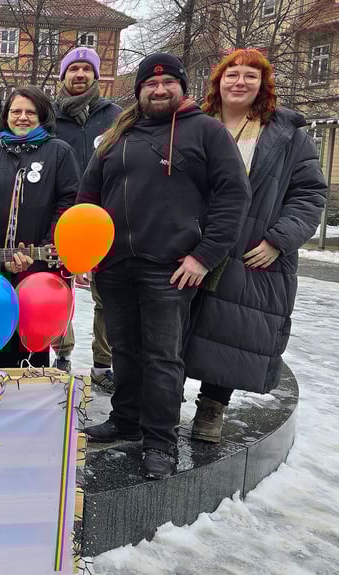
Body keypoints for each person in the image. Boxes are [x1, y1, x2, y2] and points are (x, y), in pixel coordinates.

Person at [78, 53, 251, 480]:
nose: (158, 90)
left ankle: (159, 441)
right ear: (138, 90)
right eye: (150, 85)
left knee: (162, 357)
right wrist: (83, 251)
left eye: (167, 83)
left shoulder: (207, 131)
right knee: (124, 348)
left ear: (182, 87)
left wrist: (204, 256)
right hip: (115, 264)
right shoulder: (119, 134)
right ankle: (126, 418)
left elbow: (234, 198)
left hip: (171, 267)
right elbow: (88, 196)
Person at [184, 49, 327, 443]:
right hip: (190, 240)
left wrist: (279, 239)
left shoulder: (286, 136)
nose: (240, 82)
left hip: (250, 246)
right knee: (176, 324)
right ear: (218, 81)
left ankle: (211, 409)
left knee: (227, 328)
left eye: (250, 75)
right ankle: (160, 405)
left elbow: (310, 193)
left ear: (263, 84)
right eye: (232, 74)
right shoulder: (194, 123)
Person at [0, 86, 78, 369]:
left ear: (42, 116)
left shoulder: (58, 152)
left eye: (30, 112)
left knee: (31, 342)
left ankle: (29, 405)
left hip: (39, 264)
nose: (22, 117)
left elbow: (68, 203)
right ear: (6, 116)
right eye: (16, 111)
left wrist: (48, 245)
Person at [52, 47, 123, 381]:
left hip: (105, 215)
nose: (79, 74)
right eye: (73, 69)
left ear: (96, 75)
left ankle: (103, 362)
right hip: (64, 212)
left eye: (86, 69)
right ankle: (61, 352)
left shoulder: (115, 115)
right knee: (60, 288)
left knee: (106, 293)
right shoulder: (51, 116)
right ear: (63, 76)